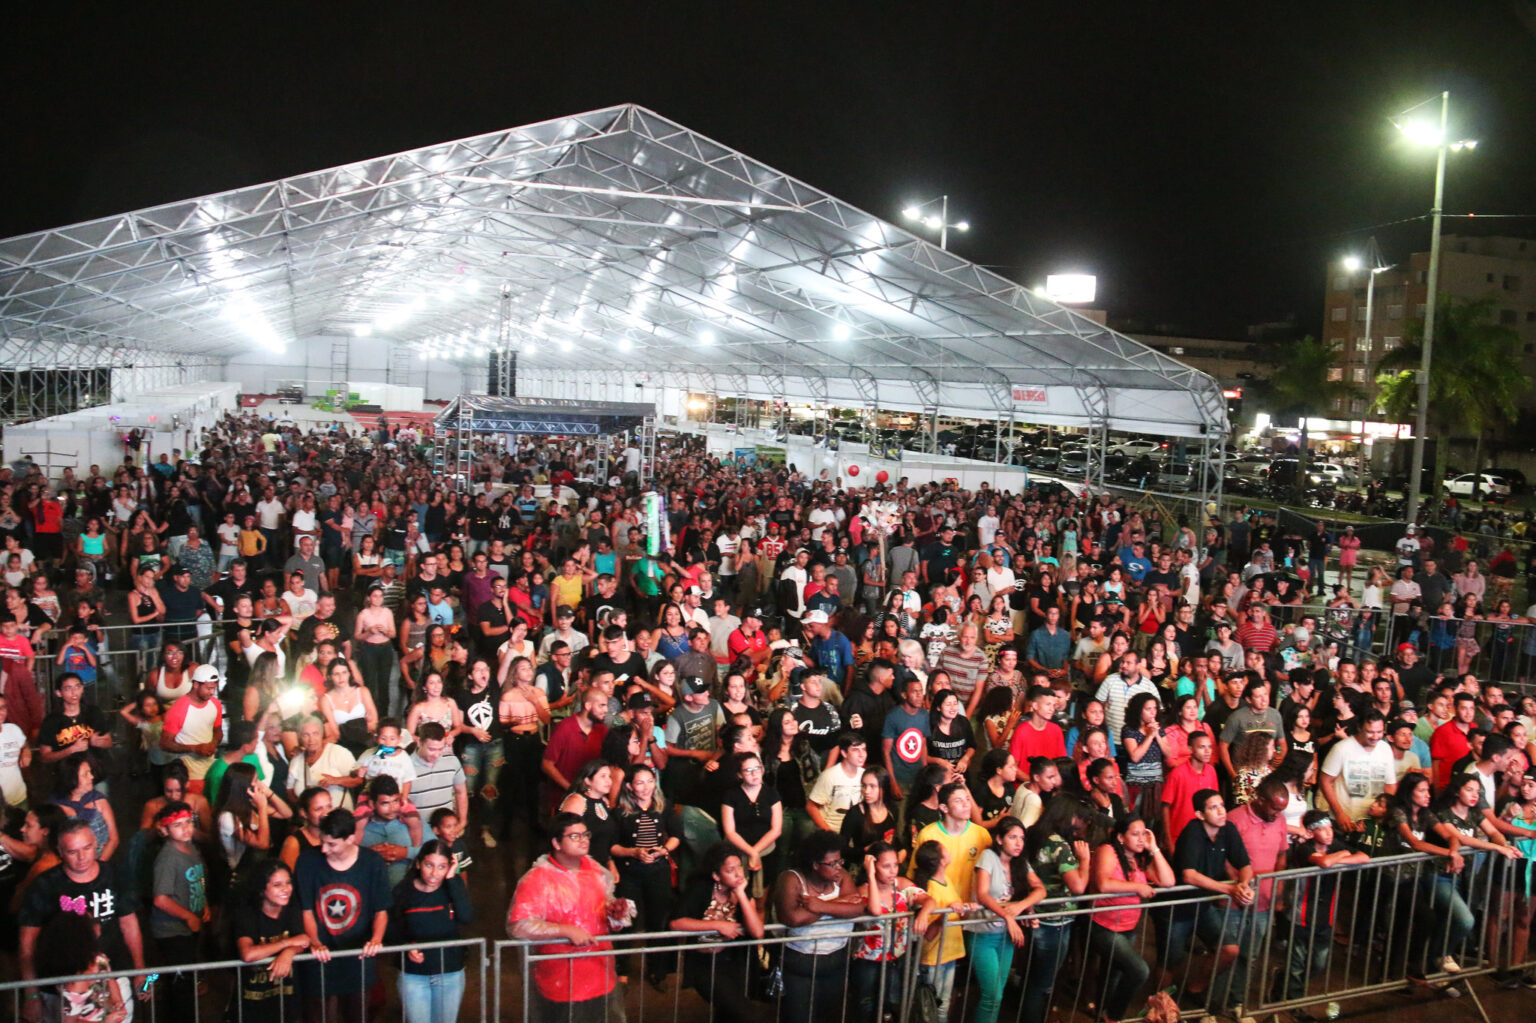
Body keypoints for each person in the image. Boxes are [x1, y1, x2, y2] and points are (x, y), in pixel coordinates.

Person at [18, 819, 148, 1023]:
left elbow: (129, 924)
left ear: (96, 843)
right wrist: (31, 993)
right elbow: (27, 944)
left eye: (87, 848)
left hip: (112, 975)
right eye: (72, 851)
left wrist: (141, 971)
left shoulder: (115, 875)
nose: (81, 857)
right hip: (59, 983)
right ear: (60, 851)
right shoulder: (45, 885)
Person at [507, 811, 631, 1022]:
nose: (583, 841)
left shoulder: (596, 871)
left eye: (585, 835)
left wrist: (616, 915)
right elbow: (520, 925)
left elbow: (604, 914)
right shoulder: (537, 879)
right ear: (556, 842)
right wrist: (566, 930)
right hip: (561, 978)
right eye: (574, 836)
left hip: (600, 971)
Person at [295, 808, 392, 1023]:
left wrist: (375, 940)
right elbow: (307, 910)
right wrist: (315, 942)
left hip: (358, 957)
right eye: (322, 842)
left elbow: (380, 910)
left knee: (357, 1014)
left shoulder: (372, 863)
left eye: (331, 844)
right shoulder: (307, 861)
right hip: (319, 957)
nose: (323, 849)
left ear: (350, 838)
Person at [1165, 789, 1256, 1017]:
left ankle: (1194, 989)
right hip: (1177, 905)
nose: (1221, 811)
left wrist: (1244, 885)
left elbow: (1245, 864)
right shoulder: (1192, 833)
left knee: (1230, 949)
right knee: (1170, 961)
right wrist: (1229, 889)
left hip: (1204, 904)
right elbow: (1189, 875)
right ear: (1200, 814)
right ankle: (1160, 1005)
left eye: (1222, 805)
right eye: (1213, 808)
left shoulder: (1228, 830)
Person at [770, 829, 866, 1020]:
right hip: (800, 962)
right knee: (798, 1016)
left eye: (840, 861)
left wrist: (820, 905)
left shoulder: (841, 876)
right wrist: (839, 904)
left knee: (829, 1016)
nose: (838, 867)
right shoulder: (791, 879)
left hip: (836, 960)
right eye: (832, 864)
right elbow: (792, 918)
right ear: (815, 865)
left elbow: (858, 908)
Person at [1090, 815, 1175, 1023]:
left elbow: (1168, 881)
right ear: (1120, 837)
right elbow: (1103, 884)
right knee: (1138, 970)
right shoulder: (1107, 851)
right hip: (1105, 926)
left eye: (1143, 834)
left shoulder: (1140, 858)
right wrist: (1138, 887)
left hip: (1128, 925)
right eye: (1135, 834)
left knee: (1113, 974)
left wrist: (1153, 848)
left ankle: (1102, 1014)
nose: (1140, 839)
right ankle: (1111, 1017)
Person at [668, 842, 767, 1023]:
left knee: (730, 1014)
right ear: (716, 875)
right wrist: (718, 925)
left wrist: (741, 894)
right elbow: (676, 923)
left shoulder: (742, 890)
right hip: (705, 964)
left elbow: (758, 931)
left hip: (734, 962)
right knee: (750, 1015)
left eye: (740, 867)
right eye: (730, 870)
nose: (738, 873)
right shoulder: (700, 889)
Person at [387, 840, 474, 1023]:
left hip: (450, 972)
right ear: (418, 864)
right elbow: (389, 930)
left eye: (442, 867)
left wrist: (452, 878)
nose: (434, 873)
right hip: (414, 975)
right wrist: (406, 946)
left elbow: (466, 916)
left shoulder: (453, 887)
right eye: (429, 865)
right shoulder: (403, 892)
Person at [1022, 795, 1092, 1023]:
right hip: (1054, 921)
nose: (1079, 823)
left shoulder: (1034, 835)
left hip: (1036, 915)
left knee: (1033, 977)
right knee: (1042, 982)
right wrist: (1085, 860)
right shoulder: (1059, 845)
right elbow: (1078, 886)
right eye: (1076, 817)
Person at [972, 816, 1047, 1023]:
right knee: (992, 995)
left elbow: (1040, 890)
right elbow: (983, 894)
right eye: (1012, 837)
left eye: (1021, 838)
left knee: (998, 995)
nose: (1018, 843)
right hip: (983, 934)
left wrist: (1020, 907)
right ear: (999, 839)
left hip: (1005, 936)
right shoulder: (988, 856)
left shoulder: (1020, 863)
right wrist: (1008, 916)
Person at [149, 801, 209, 1020]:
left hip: (188, 926)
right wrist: (188, 916)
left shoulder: (191, 847)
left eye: (188, 822)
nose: (186, 829)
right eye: (177, 825)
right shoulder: (167, 858)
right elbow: (160, 899)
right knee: (180, 985)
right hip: (171, 931)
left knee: (186, 980)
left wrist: (205, 906)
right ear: (165, 830)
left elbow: (198, 880)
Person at [234, 860, 312, 1023]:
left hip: (287, 1001)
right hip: (252, 1004)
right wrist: (286, 944)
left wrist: (288, 952)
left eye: (288, 883)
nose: (285, 889)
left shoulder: (292, 911)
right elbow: (248, 954)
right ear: (262, 889)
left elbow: (304, 941)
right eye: (277, 885)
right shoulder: (248, 914)